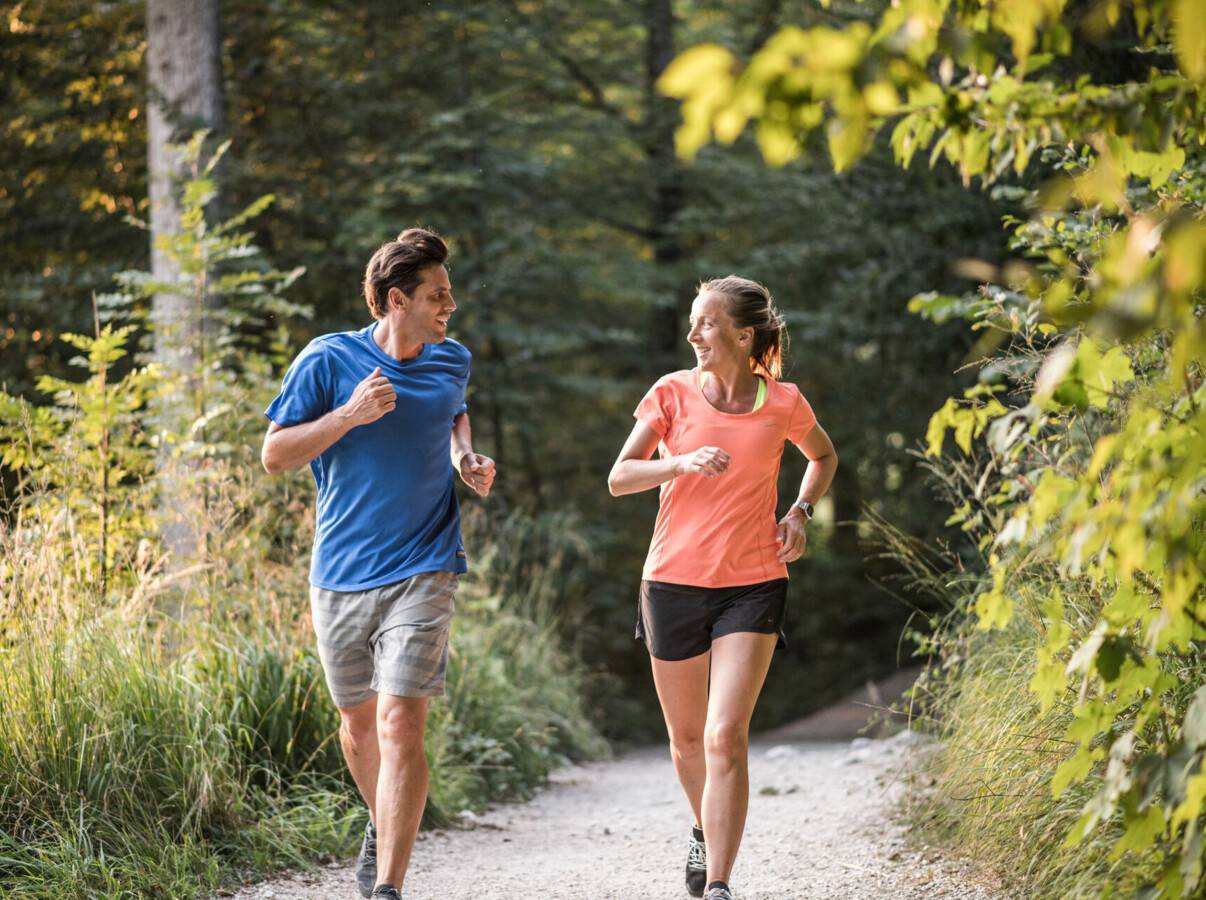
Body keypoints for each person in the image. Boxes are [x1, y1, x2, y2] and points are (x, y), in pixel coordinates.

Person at [261, 228, 495, 900]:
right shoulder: (327, 360)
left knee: (400, 721)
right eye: (437, 295)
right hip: (339, 569)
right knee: (359, 726)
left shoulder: (451, 359)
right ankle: (380, 820)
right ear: (397, 300)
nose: (450, 305)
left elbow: (455, 415)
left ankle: (387, 887)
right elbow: (275, 455)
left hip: (426, 561)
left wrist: (464, 458)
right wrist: (350, 414)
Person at [608, 276, 837, 900]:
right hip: (671, 581)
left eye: (705, 323)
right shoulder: (671, 394)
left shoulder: (785, 402)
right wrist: (678, 462)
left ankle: (718, 885)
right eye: (691, 322)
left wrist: (800, 512)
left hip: (754, 582)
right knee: (686, 740)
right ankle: (703, 828)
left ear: (742, 333)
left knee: (723, 734)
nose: (693, 334)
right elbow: (620, 476)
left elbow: (822, 457)